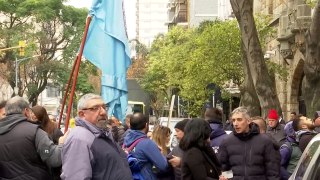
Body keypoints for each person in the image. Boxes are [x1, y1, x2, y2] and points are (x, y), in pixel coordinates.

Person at [60, 93, 132, 180]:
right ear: (82, 114)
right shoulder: (79, 138)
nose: (103, 112)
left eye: (104, 107)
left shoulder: (101, 133)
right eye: (95, 108)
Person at [0, 96, 67, 179]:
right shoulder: (35, 132)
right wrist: (61, 144)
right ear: (26, 111)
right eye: (31, 111)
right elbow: (54, 159)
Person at [219, 107, 280, 180]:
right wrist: (227, 177)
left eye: (239, 120)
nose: (235, 123)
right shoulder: (227, 142)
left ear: (248, 121)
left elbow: (272, 171)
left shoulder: (264, 141)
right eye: (233, 120)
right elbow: (224, 168)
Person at [123, 112, 168, 180]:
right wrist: (161, 154)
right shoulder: (147, 143)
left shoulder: (126, 140)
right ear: (146, 125)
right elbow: (163, 166)